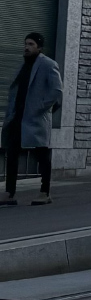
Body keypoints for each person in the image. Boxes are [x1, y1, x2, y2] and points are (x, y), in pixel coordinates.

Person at [3, 33, 63, 206]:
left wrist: (40, 108)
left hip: (35, 118)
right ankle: (10, 193)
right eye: (25, 44)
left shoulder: (48, 64)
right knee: (12, 153)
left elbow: (57, 91)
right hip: (18, 117)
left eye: (30, 44)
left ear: (39, 47)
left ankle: (45, 192)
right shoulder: (23, 65)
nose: (26, 47)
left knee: (42, 155)